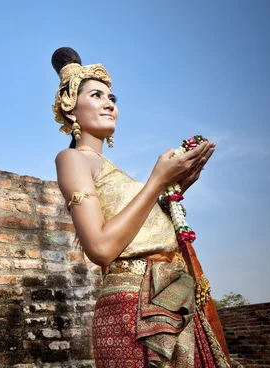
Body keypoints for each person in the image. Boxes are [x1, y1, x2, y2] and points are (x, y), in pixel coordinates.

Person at [52, 47, 233, 367]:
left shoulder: (112, 170)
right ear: (70, 110)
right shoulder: (72, 159)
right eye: (97, 95)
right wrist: (156, 182)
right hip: (133, 307)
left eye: (112, 98)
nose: (110, 103)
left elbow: (140, 228)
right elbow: (101, 247)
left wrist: (171, 187)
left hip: (170, 296)